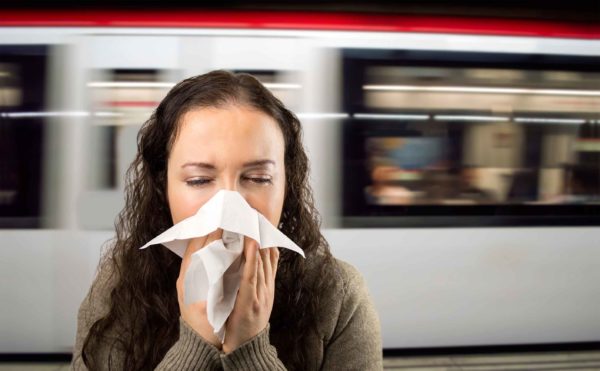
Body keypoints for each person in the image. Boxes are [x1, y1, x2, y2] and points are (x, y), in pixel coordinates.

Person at [71, 70, 382, 370]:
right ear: (162, 185)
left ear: (288, 185)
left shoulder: (338, 295)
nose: (228, 210)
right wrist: (196, 342)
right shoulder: (121, 283)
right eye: (198, 180)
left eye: (258, 178)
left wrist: (250, 348)